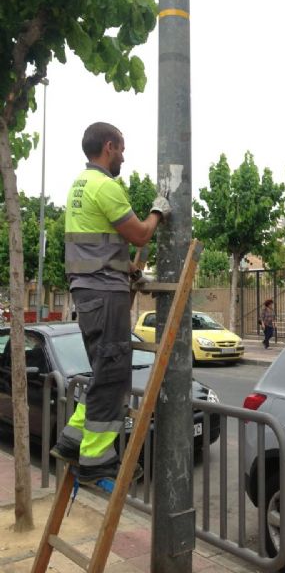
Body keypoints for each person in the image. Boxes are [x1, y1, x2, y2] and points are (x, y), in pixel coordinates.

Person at [50, 122, 171, 485]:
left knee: (104, 369)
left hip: (91, 289)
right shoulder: (107, 186)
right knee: (114, 371)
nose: (123, 155)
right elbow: (139, 233)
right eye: (121, 148)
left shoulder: (79, 185)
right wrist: (158, 212)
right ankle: (97, 459)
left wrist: (128, 269)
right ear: (108, 146)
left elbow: (96, 245)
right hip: (103, 292)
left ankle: (74, 440)